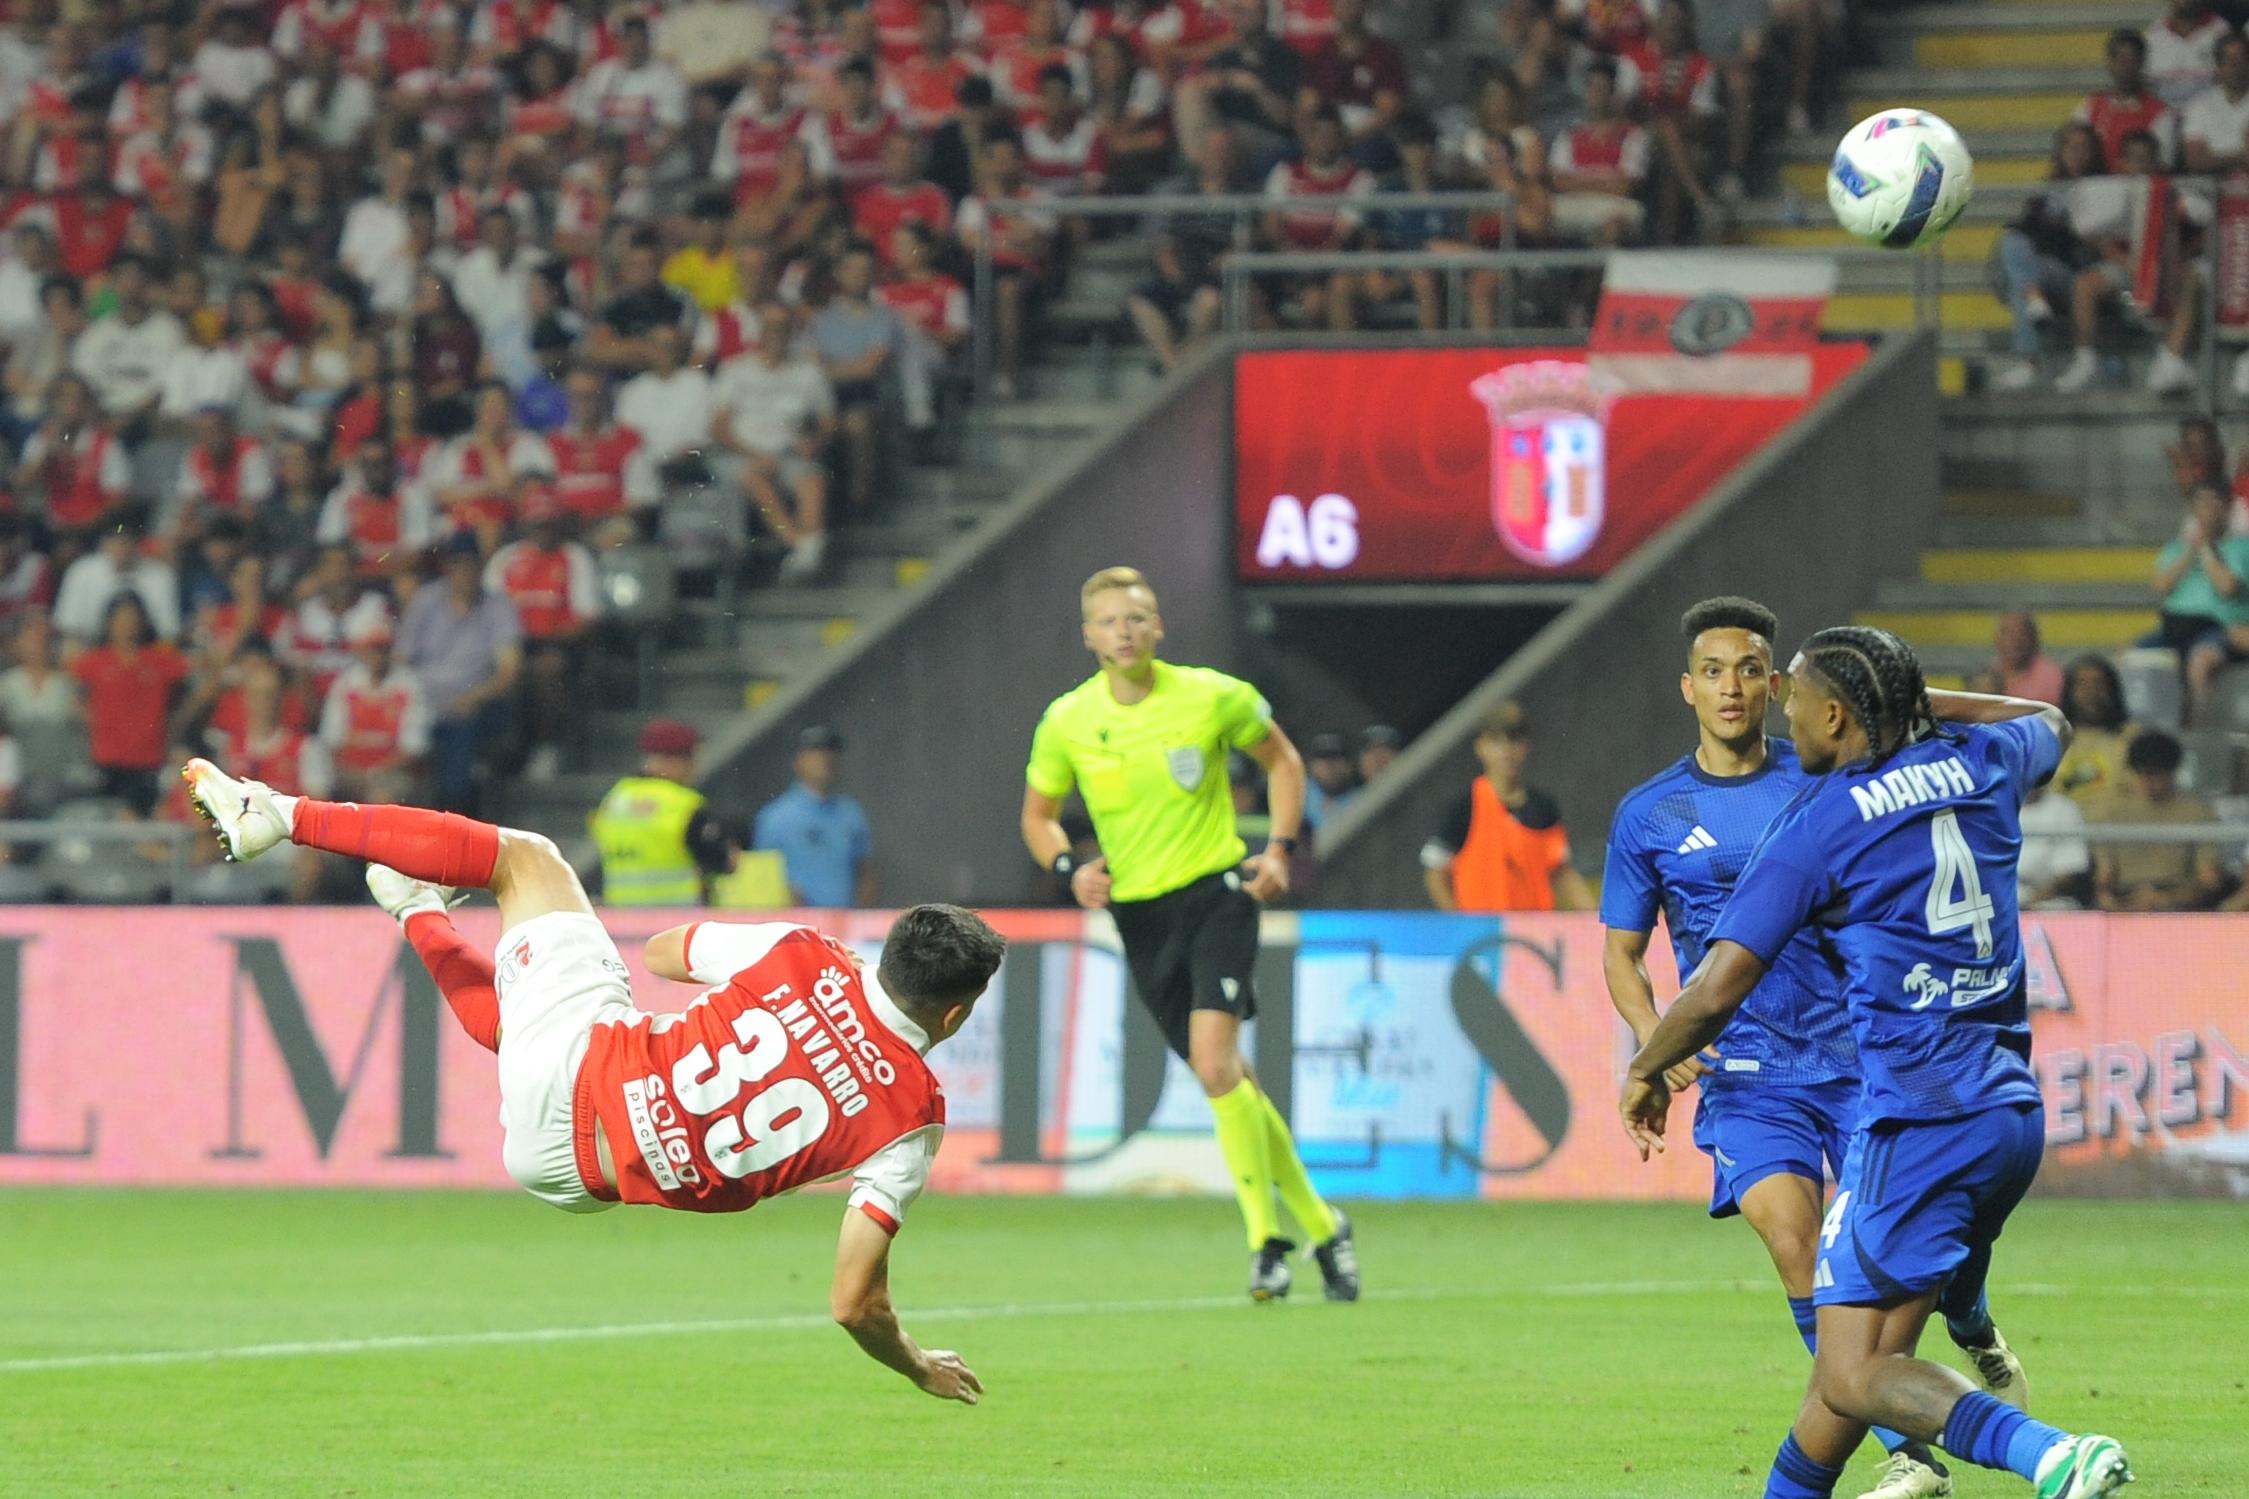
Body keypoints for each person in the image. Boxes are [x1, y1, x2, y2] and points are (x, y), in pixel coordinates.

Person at [180, 753, 998, 1403]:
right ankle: (412, 906)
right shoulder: (912, 1122)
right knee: (536, 1017)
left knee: (525, 861)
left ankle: (279, 815)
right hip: (572, 1176)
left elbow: (663, 952)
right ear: (955, 1016)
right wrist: (918, 1364)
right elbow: (855, 1301)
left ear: (889, 949)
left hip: (582, 1068)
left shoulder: (804, 955)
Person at [1617, 626, 2134, 1499]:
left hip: (1915, 1116)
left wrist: (1643, 1067)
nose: (1783, 710)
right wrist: (1915, 699)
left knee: (1852, 1370)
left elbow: (1713, 990)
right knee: (1857, 1356)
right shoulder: (1981, 758)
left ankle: (2049, 1454)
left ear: (1832, 713)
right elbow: (2048, 717)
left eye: (1796, 699)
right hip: (2009, 1111)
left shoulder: (1823, 823)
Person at [1600, 598, 1967, 1499]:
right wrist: (1656, 1043)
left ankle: (1951, 1349)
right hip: (1747, 1078)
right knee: (1794, 1239)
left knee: (1887, 1266)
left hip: (1858, 1060)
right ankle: (1907, 1449)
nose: (1732, 685)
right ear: (1687, 688)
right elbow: (1619, 953)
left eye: (1750, 667)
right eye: (1714, 669)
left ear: (1777, 685)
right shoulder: (1649, 813)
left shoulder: (1825, 785)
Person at [1019, 565, 1357, 1302]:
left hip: (1216, 895)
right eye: (1109, 620)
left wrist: (1279, 849)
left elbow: (1284, 762)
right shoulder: (1069, 720)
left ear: (1157, 625)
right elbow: (1037, 817)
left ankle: (1265, 1241)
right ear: (1088, 635)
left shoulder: (1210, 695)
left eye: (1136, 616)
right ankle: (1324, 1226)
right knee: (1228, 1076)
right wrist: (1070, 866)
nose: (1124, 630)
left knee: (1212, 1064)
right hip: (1139, 916)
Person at [1421, 702, 1595, 912]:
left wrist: (1595, 920)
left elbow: (1562, 872)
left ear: (1526, 746)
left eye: (1514, 741)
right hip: (1484, 936)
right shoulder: (1463, 807)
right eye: (1496, 741)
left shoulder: (1543, 807)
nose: (1506, 751)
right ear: (1480, 747)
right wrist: (1460, 926)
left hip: (1536, 933)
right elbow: (1435, 873)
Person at [396, 532, 522, 813]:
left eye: (471, 564)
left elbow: (509, 670)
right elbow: (401, 659)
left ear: (480, 566)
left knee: (462, 728)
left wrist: (475, 697)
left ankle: (454, 808)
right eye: (458, 564)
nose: (465, 572)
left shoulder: (497, 605)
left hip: (474, 699)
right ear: (447, 568)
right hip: (424, 700)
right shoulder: (425, 601)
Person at [590, 717, 738, 905]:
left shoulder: (614, 799)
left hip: (622, 920)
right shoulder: (682, 804)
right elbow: (724, 861)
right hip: (676, 919)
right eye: (691, 759)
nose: (695, 768)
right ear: (674, 760)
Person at [2086, 728, 2226, 910]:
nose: (2146, 780)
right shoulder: (2112, 813)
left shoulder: (2199, 812)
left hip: (2178, 899)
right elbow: (2105, 873)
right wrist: (2107, 898)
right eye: (2140, 773)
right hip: (2126, 895)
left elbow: (2210, 879)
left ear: (2172, 771)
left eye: (2154, 773)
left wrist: (2166, 898)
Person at [753, 724, 876, 908]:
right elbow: (761, 877)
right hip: (797, 926)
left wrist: (862, 915)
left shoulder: (851, 813)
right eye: (816, 752)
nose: (825, 759)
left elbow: (866, 870)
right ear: (798, 760)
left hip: (845, 927)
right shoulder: (775, 818)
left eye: (830, 752)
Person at [1964, 610, 2064, 708]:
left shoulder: (2050, 676)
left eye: (2021, 632)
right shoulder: (1987, 673)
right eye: (2007, 632)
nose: (2014, 639)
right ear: (1996, 638)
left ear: (2033, 638)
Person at [1301, 731, 1360, 830]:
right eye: (1323, 760)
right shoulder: (1298, 796)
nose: (1330, 766)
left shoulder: (1362, 796)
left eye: (1336, 759)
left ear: (1349, 765)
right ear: (1312, 767)